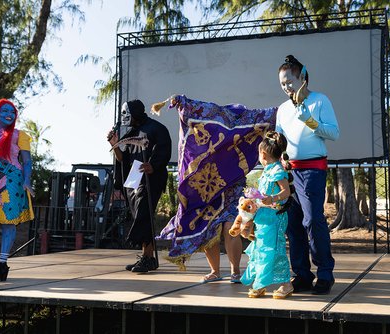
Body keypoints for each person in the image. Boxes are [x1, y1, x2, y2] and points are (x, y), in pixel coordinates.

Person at [156, 95, 277, 283]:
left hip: (232, 187)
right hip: (207, 187)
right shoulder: (213, 126)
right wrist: (181, 101)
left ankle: (235, 271)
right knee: (208, 227)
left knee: (231, 226)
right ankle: (215, 271)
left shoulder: (241, 127)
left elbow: (262, 119)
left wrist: (284, 110)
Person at [276, 55, 340, 295]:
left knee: (313, 220)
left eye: (289, 81)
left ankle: (325, 273)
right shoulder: (282, 109)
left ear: (302, 77)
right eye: (282, 84)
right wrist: (279, 155)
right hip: (289, 172)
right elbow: (279, 140)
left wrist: (311, 122)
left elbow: (334, 133)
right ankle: (301, 274)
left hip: (313, 169)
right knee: (293, 226)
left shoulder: (319, 100)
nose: (286, 87)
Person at [107, 99, 171, 272]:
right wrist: (115, 145)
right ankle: (147, 257)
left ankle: (148, 258)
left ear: (135, 112)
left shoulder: (157, 129)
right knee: (139, 217)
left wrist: (154, 164)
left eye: (127, 113)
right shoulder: (131, 133)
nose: (124, 117)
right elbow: (123, 160)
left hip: (151, 177)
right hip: (134, 178)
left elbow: (164, 150)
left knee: (144, 215)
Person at [0, 99, 34, 282]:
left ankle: (2, 264)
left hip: (11, 182)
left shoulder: (20, 135)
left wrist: (27, 181)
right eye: (5, 110)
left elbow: (27, 161)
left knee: (8, 222)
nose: (9, 114)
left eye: (12, 111)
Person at [240, 131, 293, 299]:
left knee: (273, 249)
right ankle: (260, 283)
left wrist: (273, 198)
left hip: (274, 217)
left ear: (263, 154)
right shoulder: (267, 170)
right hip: (263, 218)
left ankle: (286, 284)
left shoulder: (277, 169)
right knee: (260, 248)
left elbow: (286, 191)